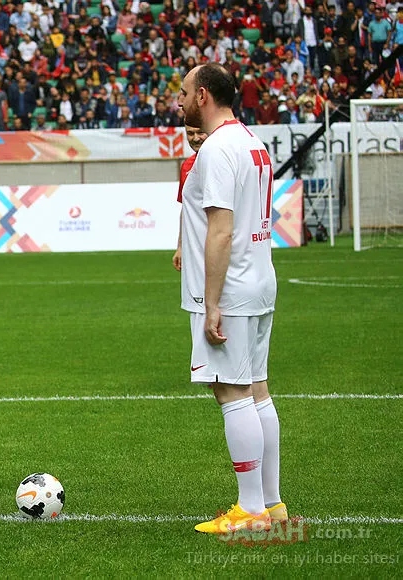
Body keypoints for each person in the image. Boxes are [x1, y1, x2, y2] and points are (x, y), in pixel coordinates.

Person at [177, 64, 285, 534]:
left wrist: (212, 302)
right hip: (259, 278)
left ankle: (251, 511)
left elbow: (220, 230)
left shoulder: (219, 148)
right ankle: (271, 504)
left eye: (182, 93)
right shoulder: (251, 141)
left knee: (232, 392)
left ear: (203, 96)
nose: (177, 102)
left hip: (232, 288)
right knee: (257, 388)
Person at [172, 124, 208, 272]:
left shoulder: (226, 162)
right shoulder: (187, 165)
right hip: (195, 245)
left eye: (200, 132)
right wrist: (180, 246)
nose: (195, 138)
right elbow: (185, 208)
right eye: (190, 134)